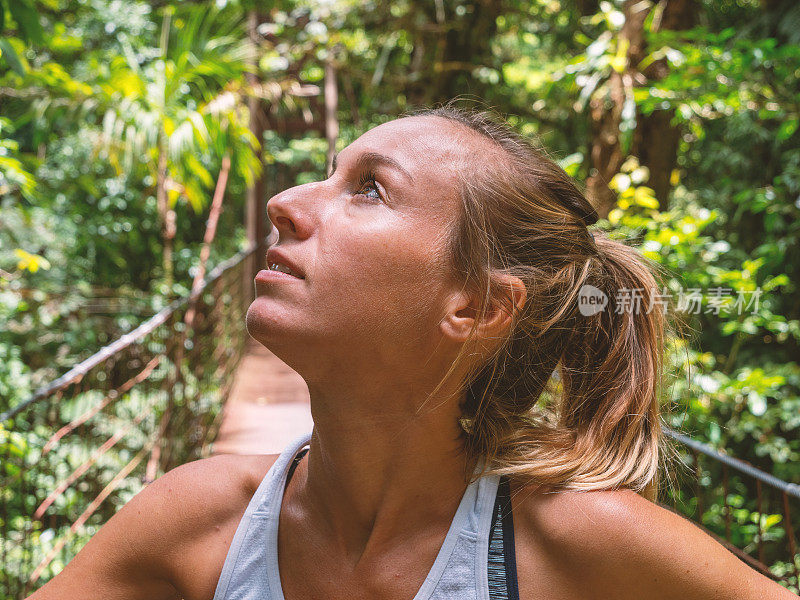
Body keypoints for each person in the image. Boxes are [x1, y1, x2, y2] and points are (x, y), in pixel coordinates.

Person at [28, 103, 796, 600]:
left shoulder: (580, 541)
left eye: (368, 189)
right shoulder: (194, 520)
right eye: (331, 174)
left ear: (480, 306)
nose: (286, 203)